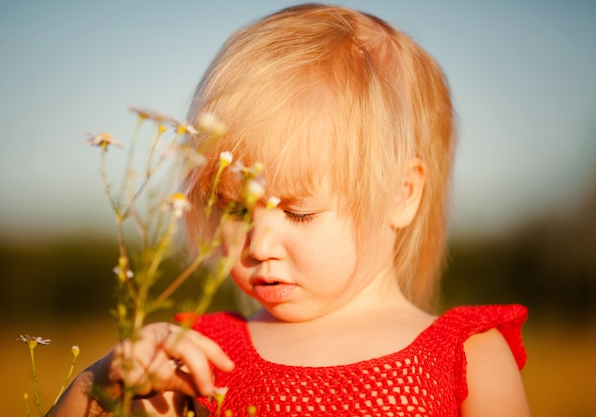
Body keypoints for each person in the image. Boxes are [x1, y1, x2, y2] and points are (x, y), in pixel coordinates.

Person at [52, 4, 531, 417]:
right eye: (236, 210)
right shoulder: (197, 356)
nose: (258, 245)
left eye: (299, 212)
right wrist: (99, 386)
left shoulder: (466, 357)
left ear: (401, 194)